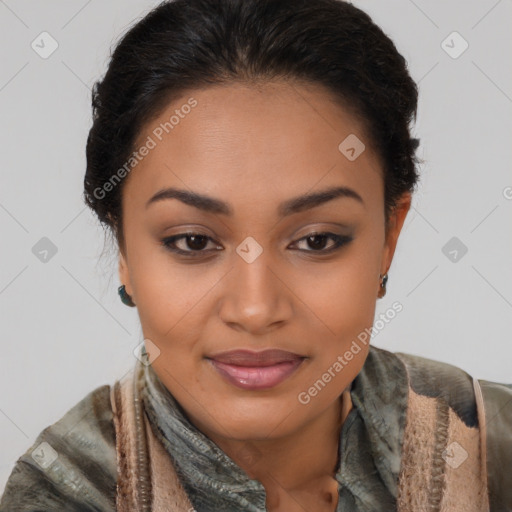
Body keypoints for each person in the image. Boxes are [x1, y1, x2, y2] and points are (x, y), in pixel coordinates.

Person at [1, 0, 511, 511]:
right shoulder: (65, 495)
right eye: (193, 241)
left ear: (388, 238)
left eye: (316, 240)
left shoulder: (494, 450)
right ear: (125, 252)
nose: (255, 309)